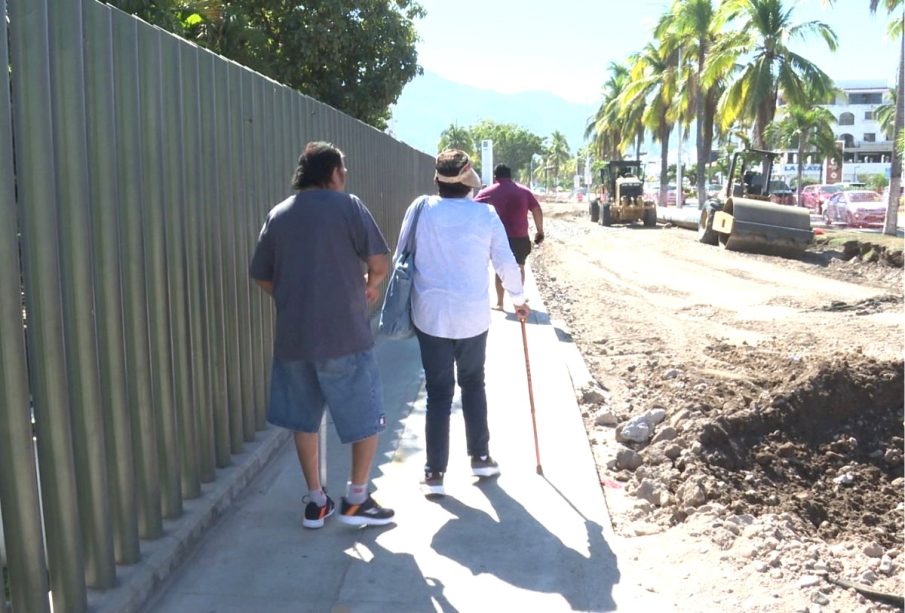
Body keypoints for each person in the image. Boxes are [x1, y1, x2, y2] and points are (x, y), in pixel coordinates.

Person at [249, 141, 395, 528]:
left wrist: (289, 296)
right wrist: (370, 283)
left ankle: (316, 502)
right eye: (342, 171)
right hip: (345, 334)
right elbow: (380, 261)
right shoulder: (349, 207)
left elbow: (262, 274)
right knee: (366, 416)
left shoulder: (278, 215)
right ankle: (356, 500)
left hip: (294, 337)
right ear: (332, 174)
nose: (345, 178)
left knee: (303, 420)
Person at [395, 150, 530, 497]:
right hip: (472, 316)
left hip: (431, 315)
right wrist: (518, 299)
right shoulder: (485, 215)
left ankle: (434, 472)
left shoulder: (421, 209)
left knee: (438, 393)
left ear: (438, 179)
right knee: (473, 383)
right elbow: (505, 260)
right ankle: (480, 457)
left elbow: (401, 255)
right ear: (468, 179)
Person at [475, 163, 544, 310]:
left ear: (495, 177)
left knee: (500, 270)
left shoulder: (488, 191)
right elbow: (537, 209)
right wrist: (540, 230)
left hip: (497, 238)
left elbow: (471, 208)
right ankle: (518, 300)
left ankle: (500, 303)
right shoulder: (524, 191)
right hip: (520, 236)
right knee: (520, 267)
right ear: (510, 176)